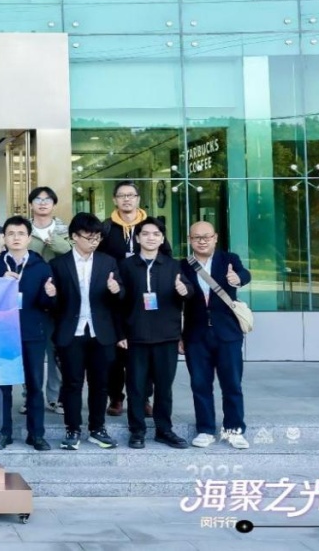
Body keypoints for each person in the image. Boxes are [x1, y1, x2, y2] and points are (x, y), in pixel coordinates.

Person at [49, 213, 124, 451]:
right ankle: (72, 429)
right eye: (89, 237)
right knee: (72, 384)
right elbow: (52, 305)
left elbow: (121, 297)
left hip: (101, 332)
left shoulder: (107, 262)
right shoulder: (59, 264)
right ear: (74, 236)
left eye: (97, 237)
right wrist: (51, 295)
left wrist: (116, 289)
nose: (94, 242)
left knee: (100, 384)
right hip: (71, 333)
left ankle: (97, 429)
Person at [0, 216, 56, 451]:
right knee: (3, 386)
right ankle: (4, 432)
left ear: (29, 238)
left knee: (34, 385)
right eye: (11, 233)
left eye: (21, 233)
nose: (16, 238)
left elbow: (47, 305)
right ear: (3, 238)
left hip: (32, 332)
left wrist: (50, 295)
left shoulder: (41, 266)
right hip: (2, 334)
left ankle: (37, 434)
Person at [119, 217, 193, 450]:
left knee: (164, 387)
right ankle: (137, 430)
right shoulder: (126, 266)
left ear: (162, 239)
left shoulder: (173, 265)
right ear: (138, 238)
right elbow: (118, 302)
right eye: (146, 233)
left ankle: (164, 430)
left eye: (156, 234)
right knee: (136, 387)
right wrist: (120, 333)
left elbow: (189, 292)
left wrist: (184, 289)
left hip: (166, 335)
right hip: (136, 335)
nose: (151, 238)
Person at [181, 221, 252, 450]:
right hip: (195, 334)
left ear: (215, 238)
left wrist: (238, 278)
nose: (202, 241)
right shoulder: (183, 265)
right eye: (197, 237)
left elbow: (245, 274)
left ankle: (234, 429)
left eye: (207, 237)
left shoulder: (229, 259)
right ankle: (205, 430)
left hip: (227, 333)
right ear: (190, 240)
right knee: (200, 384)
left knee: (232, 384)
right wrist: (180, 336)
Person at [98, 180, 148, 418]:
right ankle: (116, 397)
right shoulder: (106, 228)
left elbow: (166, 255)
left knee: (143, 350)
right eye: (122, 195)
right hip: (113, 298)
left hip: (144, 297)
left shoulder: (150, 226)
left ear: (138, 199)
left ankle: (144, 397)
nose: (127, 199)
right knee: (115, 352)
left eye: (131, 195)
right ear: (114, 200)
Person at [26, 186, 72, 417]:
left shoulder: (66, 231)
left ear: (54, 204)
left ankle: (56, 398)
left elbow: (76, 256)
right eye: (37, 199)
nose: (42, 203)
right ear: (31, 204)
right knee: (30, 351)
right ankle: (30, 397)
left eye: (47, 199)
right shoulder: (23, 229)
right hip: (30, 300)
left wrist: (60, 245)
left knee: (57, 351)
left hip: (60, 300)